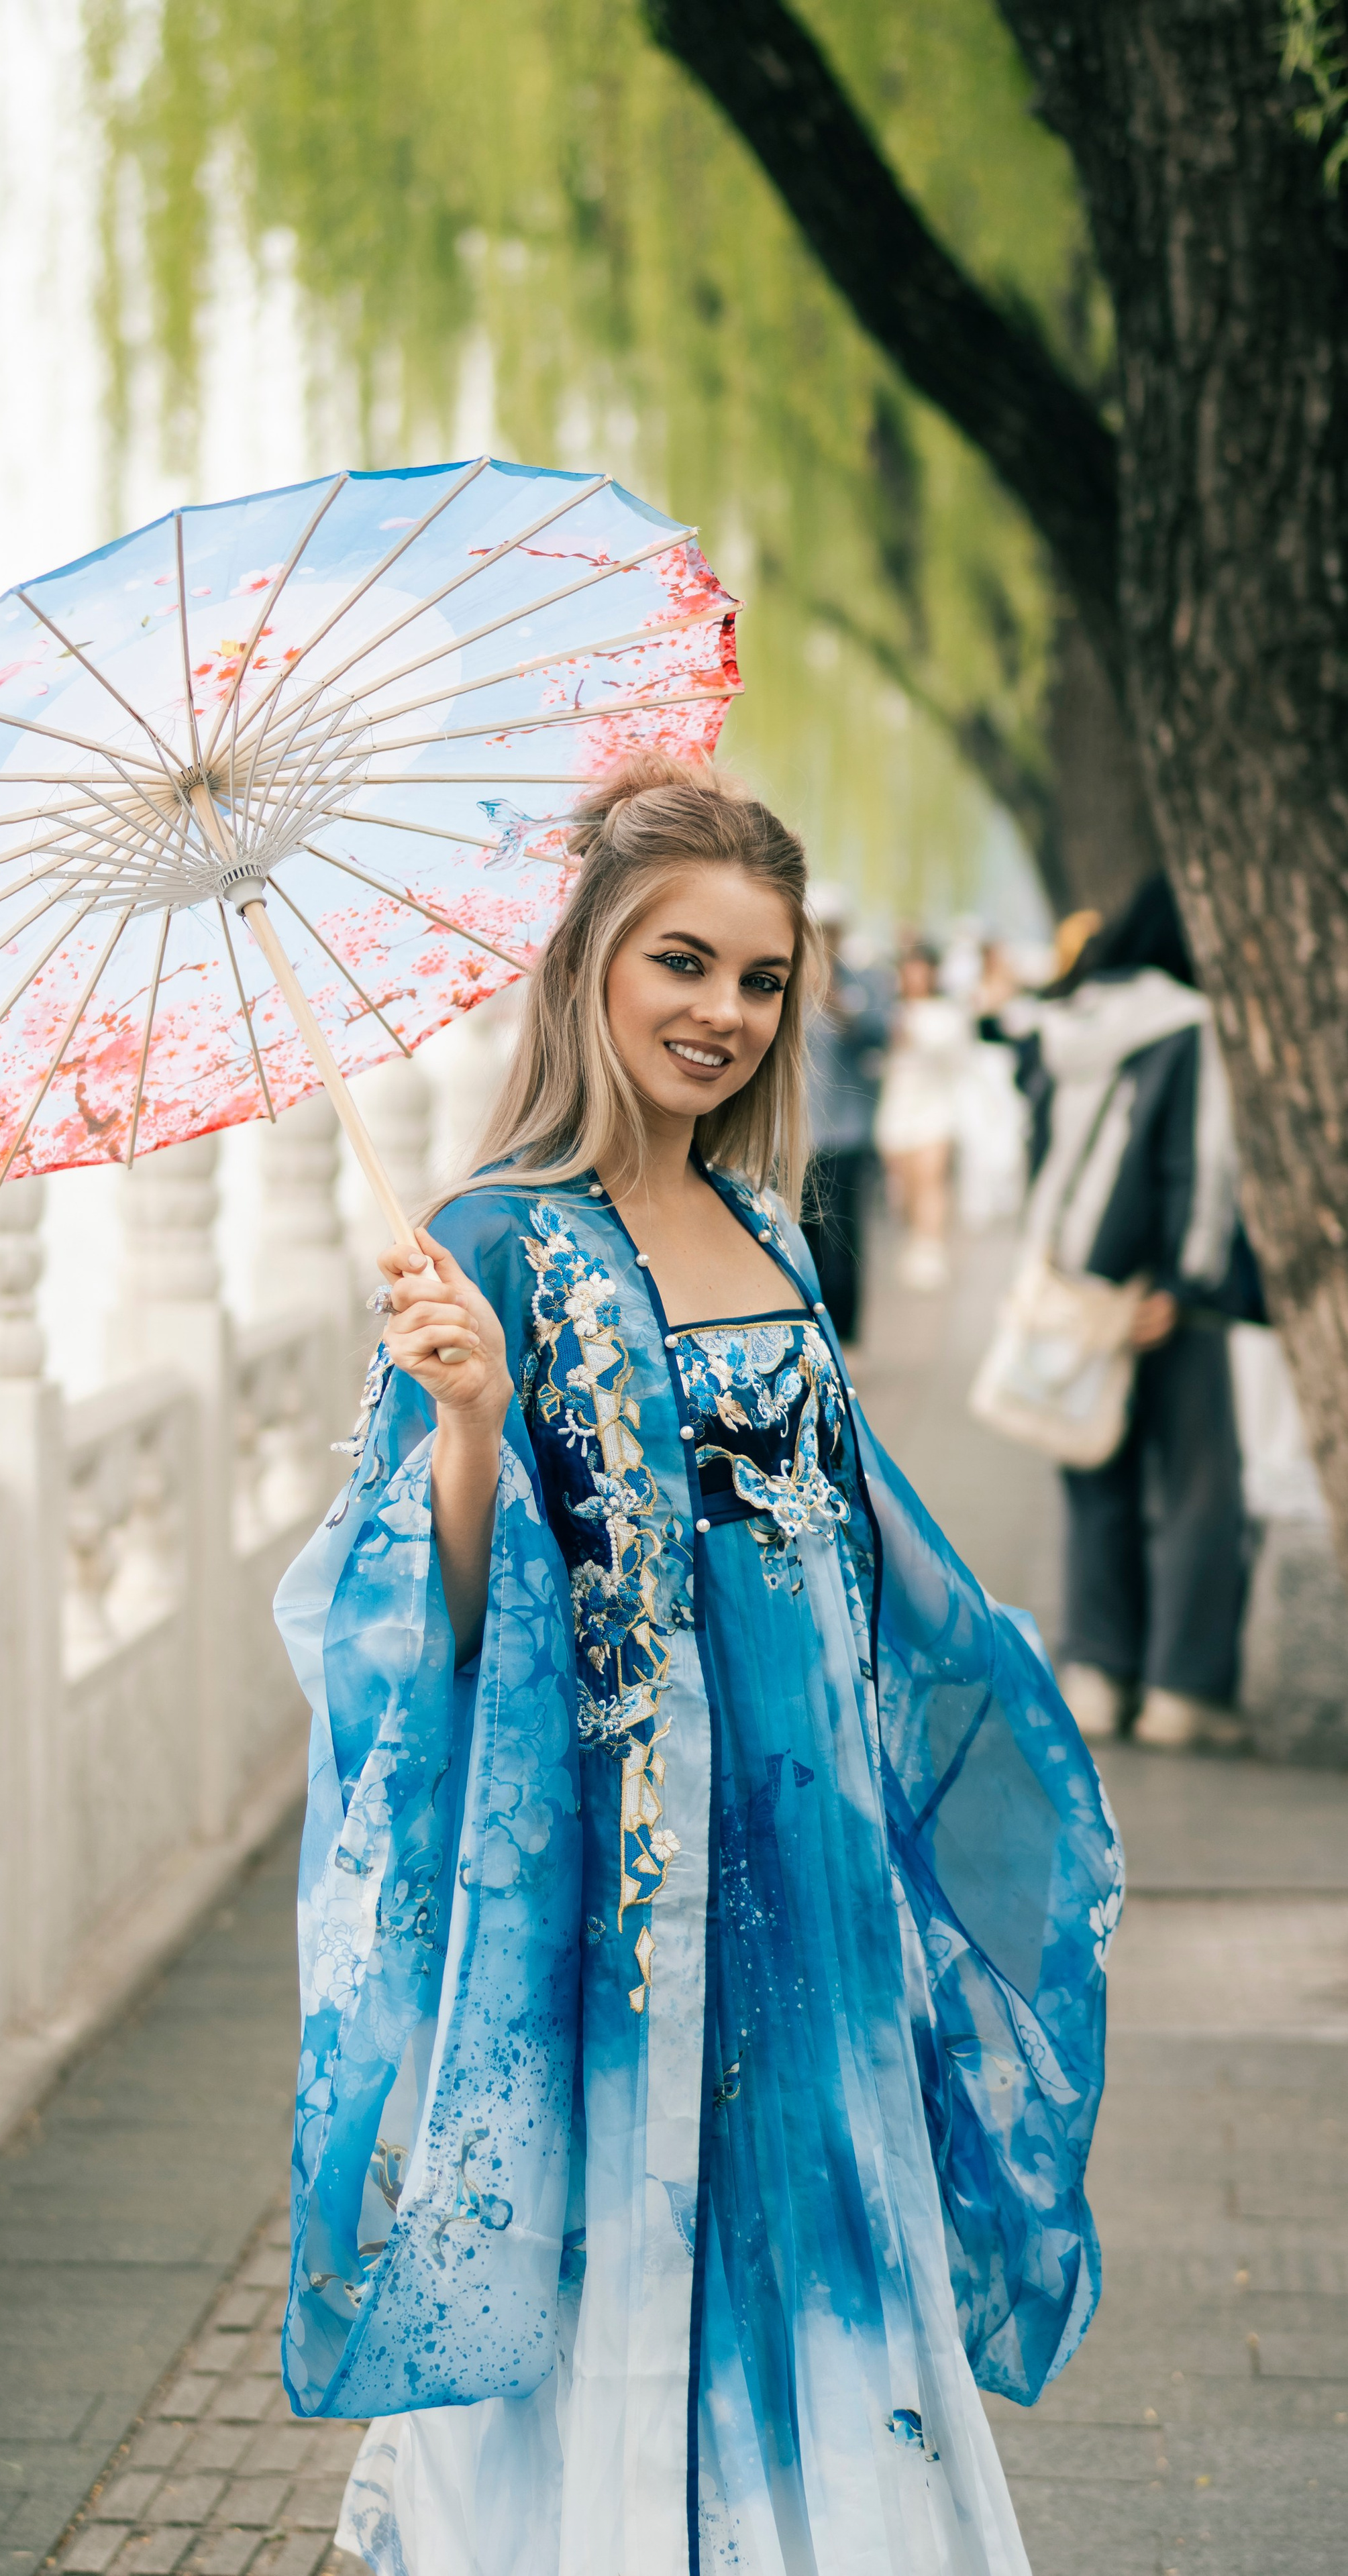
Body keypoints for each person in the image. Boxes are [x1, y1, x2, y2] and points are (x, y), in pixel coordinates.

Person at [274, 754, 1120, 2576]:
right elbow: (420, 1641)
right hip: (622, 1892)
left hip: (811, 1865)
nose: (724, 1014)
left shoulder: (759, 1225)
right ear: (586, 960)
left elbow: (854, 1556)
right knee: (634, 2244)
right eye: (683, 964)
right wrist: (477, 1429)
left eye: (760, 979)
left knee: (825, 2230)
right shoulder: (488, 1241)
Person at [1002, 875, 1264, 1752]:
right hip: (1159, 1293)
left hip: (1074, 1283)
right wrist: (1188, 1285)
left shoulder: (1066, 1018)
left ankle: (1098, 1677)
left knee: (1094, 1471)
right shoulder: (1185, 1023)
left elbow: (1037, 1148)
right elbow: (1202, 1163)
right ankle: (1181, 1694)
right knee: (1199, 1489)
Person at [799, 883, 887, 1344]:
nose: (821, 938)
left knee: (845, 1237)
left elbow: (883, 1034)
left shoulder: (861, 979)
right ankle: (811, 1331)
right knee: (801, 1235)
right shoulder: (784, 977)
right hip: (792, 1135)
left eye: (829, 930)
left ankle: (848, 1332)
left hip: (847, 1132)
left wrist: (836, 999)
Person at [873, 940, 972, 1290]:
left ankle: (929, 1249)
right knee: (903, 1186)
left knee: (930, 1180)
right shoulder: (888, 1009)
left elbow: (957, 1058)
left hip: (935, 1106)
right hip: (897, 1107)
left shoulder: (946, 1014)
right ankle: (915, 1240)